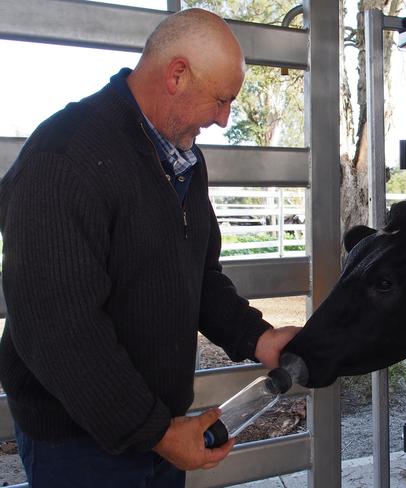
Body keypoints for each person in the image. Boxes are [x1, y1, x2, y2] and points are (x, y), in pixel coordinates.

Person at [0, 8, 300, 488]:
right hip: (82, 447)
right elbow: (59, 330)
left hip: (159, 427)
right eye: (221, 101)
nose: (224, 120)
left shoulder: (184, 160)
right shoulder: (64, 159)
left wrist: (258, 338)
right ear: (177, 75)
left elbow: (199, 277)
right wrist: (156, 432)